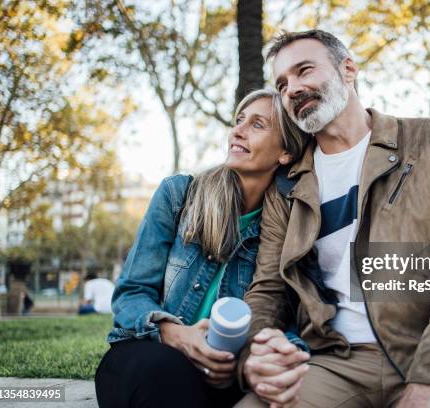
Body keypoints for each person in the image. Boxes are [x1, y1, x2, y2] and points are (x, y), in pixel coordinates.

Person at [235, 30, 430, 408]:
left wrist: (428, 379)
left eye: (304, 71)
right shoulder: (287, 186)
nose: (293, 89)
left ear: (348, 69)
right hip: (334, 362)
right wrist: (254, 351)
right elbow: (267, 288)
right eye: (282, 84)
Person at [94, 89, 309, 408]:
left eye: (257, 124)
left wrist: (262, 359)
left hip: (228, 376)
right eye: (239, 120)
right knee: (166, 372)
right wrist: (178, 335)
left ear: (286, 152)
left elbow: (288, 316)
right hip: (151, 354)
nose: (238, 130)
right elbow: (131, 294)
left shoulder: (287, 228)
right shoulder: (178, 196)